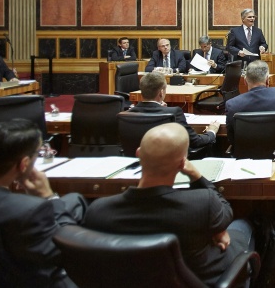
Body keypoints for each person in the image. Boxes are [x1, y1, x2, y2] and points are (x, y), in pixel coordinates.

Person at [83, 123, 255, 287]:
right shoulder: (201, 204)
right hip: (203, 280)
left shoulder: (97, 211)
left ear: (138, 153)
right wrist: (196, 176)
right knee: (244, 226)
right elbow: (225, 212)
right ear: (182, 163)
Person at [0, 119, 87, 288]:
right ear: (24, 164)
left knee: (73, 201)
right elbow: (68, 254)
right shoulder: (27, 210)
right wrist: (48, 197)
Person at [128, 72, 219, 154]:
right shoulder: (174, 112)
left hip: (133, 164)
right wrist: (211, 132)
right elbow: (195, 141)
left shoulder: (127, 114)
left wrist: (161, 108)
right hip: (168, 165)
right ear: (161, 92)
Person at [224, 60, 275, 147]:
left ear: (245, 81)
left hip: (246, 156)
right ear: (267, 80)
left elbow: (232, 138)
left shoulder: (232, 104)